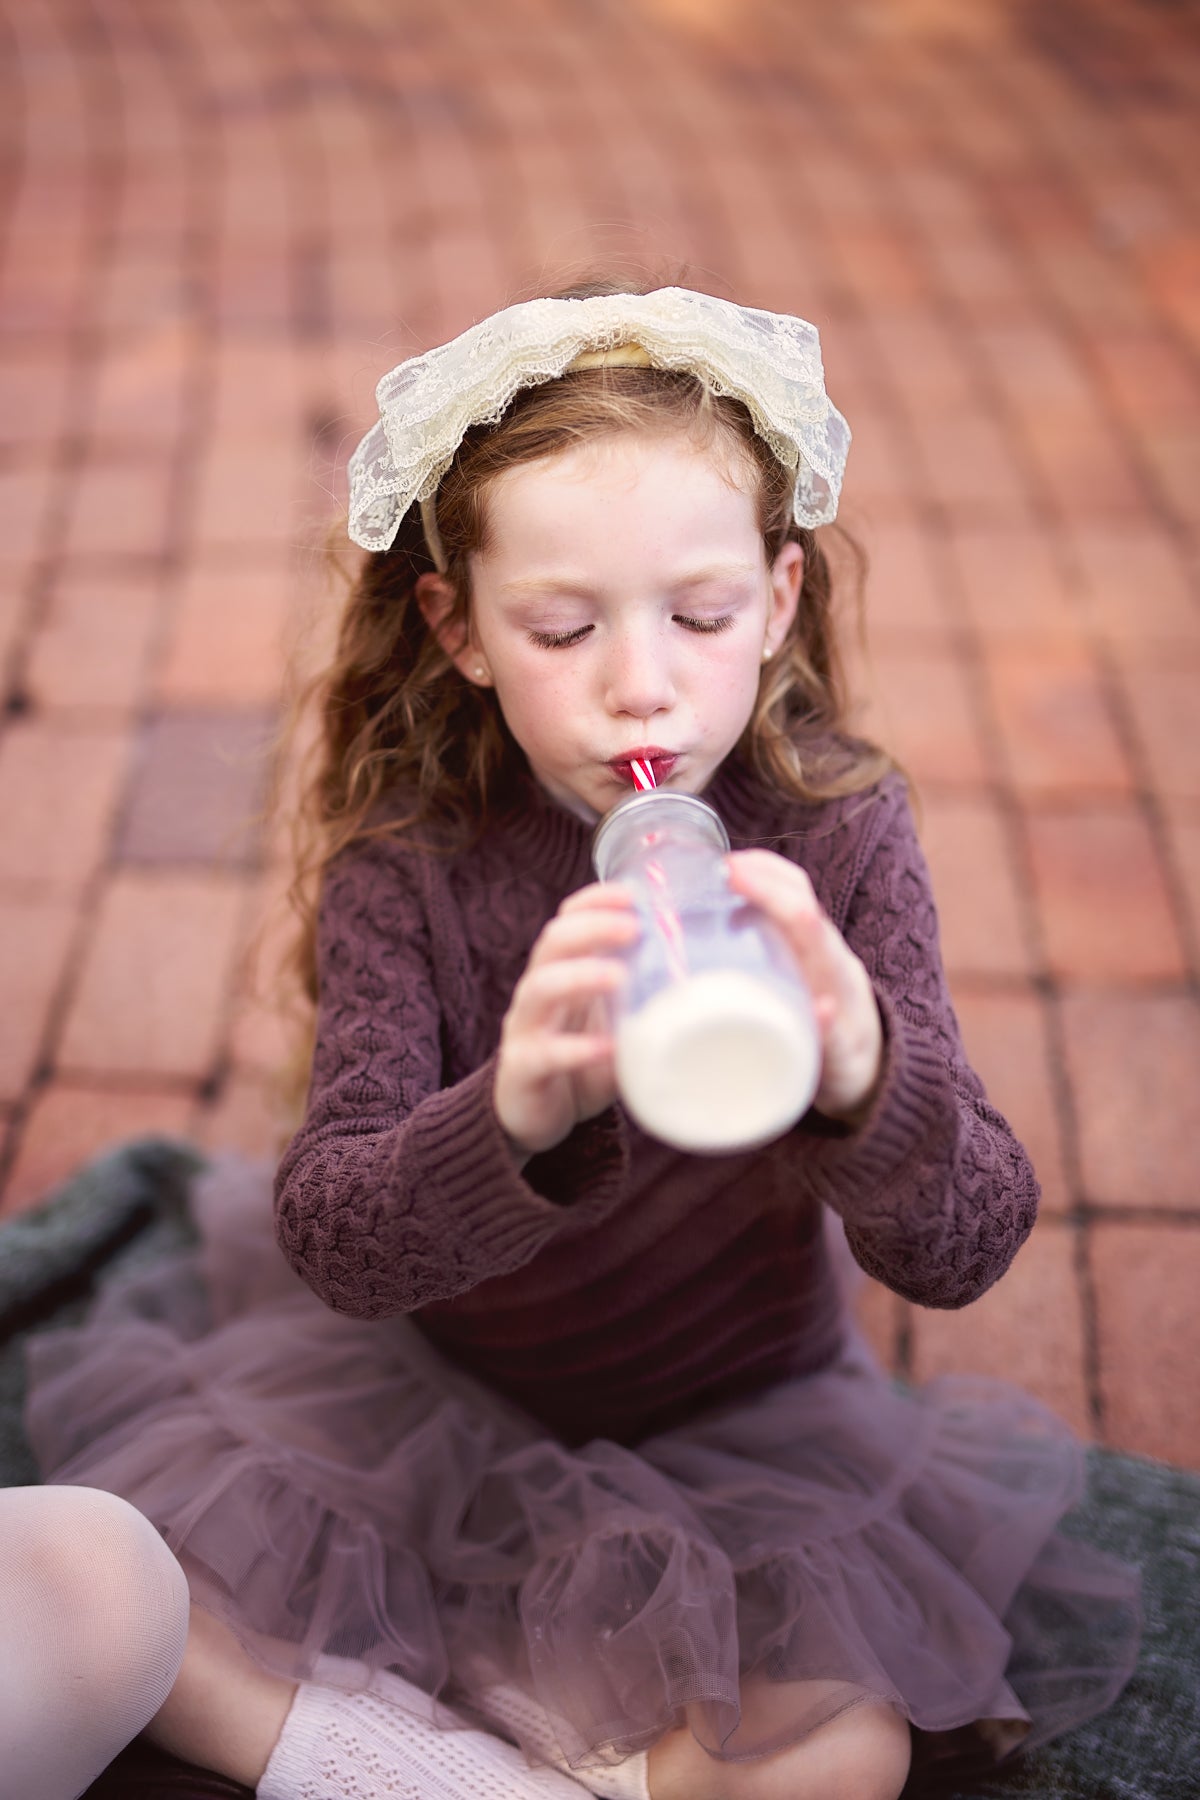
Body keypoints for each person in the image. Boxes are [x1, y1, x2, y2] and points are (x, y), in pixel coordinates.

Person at [20, 280, 1140, 1800]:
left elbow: (969, 1242)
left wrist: (869, 1075)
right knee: (137, 1588)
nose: (643, 681)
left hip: (751, 1432)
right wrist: (514, 1116)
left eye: (702, 614)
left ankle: (458, 1750)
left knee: (846, 1757)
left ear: (783, 599)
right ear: (462, 629)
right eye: (562, 626)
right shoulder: (410, 863)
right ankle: (388, 1755)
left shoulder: (840, 834)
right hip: (438, 1415)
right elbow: (339, 1243)